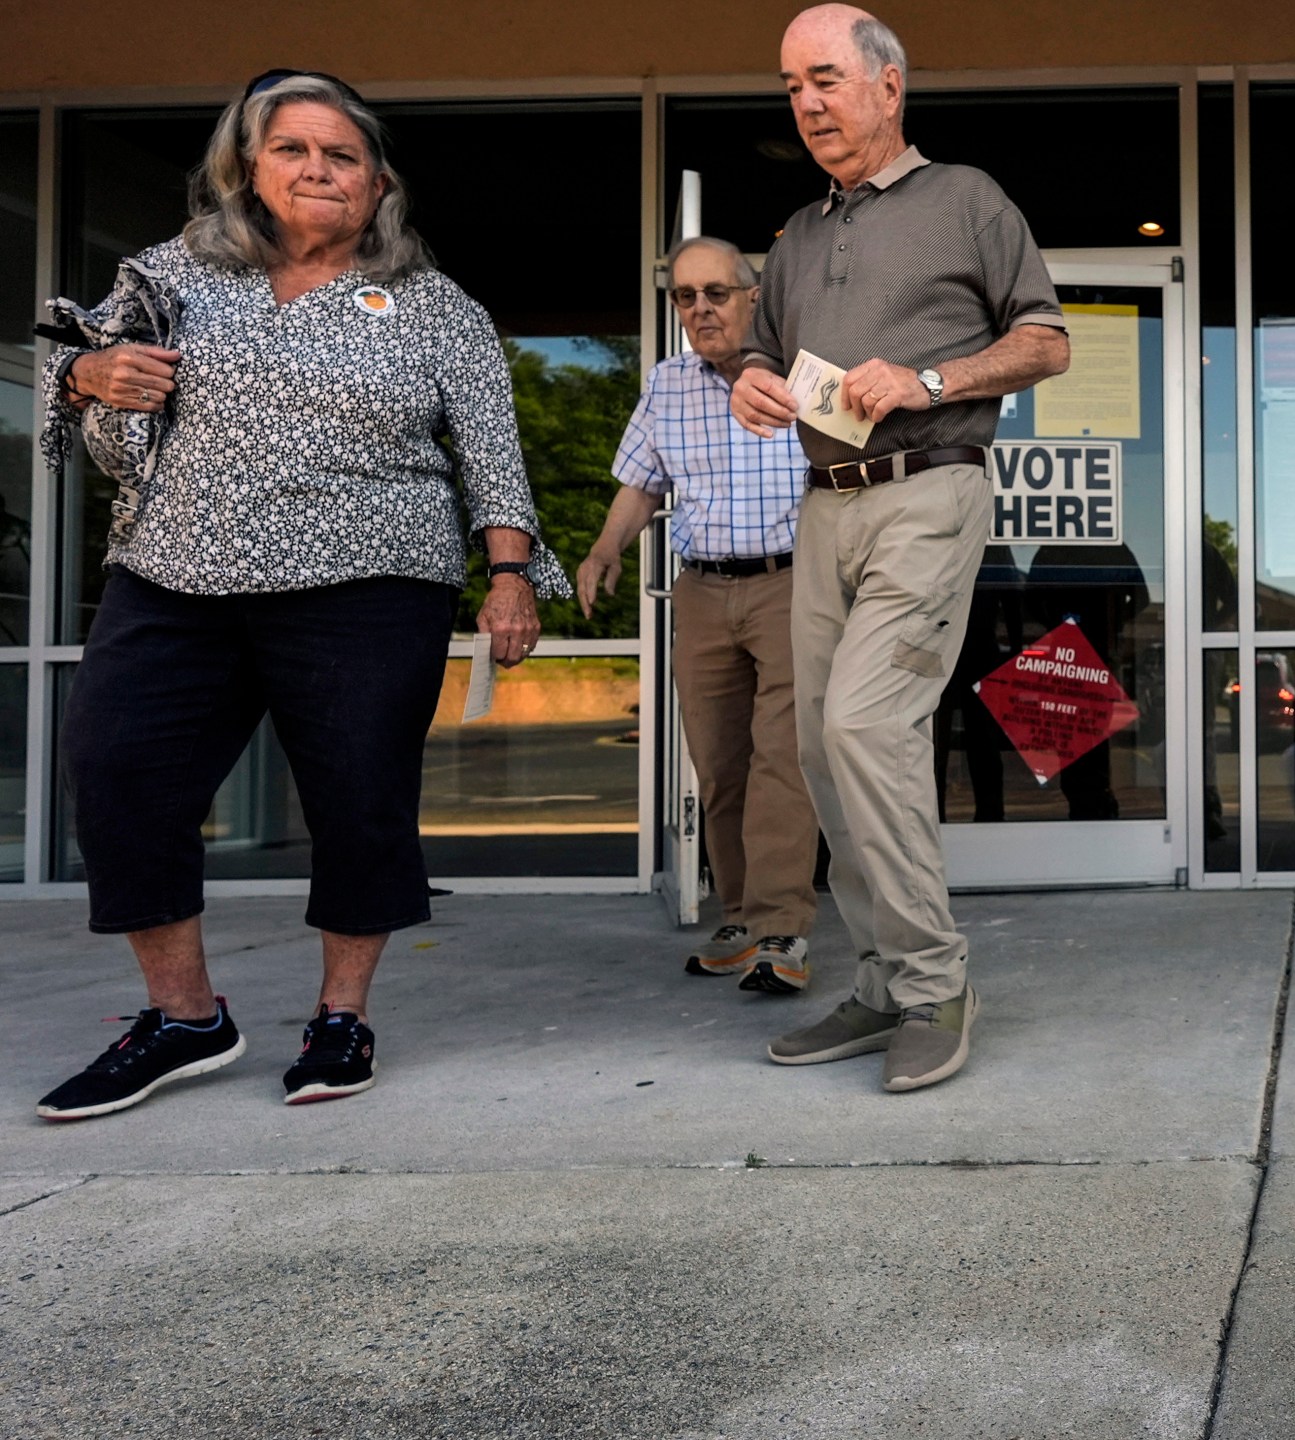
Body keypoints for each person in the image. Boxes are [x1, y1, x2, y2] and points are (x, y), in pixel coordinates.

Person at [33, 71, 568, 1121]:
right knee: (116, 771)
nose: (318, 171)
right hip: (176, 574)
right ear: (248, 166)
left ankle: (341, 1016)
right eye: (294, 150)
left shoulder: (434, 306)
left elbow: (494, 459)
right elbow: (81, 369)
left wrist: (509, 578)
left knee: (358, 803)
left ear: (378, 185)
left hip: (370, 584)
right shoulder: (176, 272)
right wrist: (87, 380)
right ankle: (184, 1017)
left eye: (343, 156)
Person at [733, 5, 1070, 1092]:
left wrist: (930, 380)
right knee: (823, 753)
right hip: (822, 503)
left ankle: (932, 983)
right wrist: (748, 379)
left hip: (928, 488)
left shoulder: (966, 198)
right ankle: (882, 981)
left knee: (865, 725)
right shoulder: (798, 234)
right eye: (791, 88)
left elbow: (1046, 340)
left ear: (888, 84)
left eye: (825, 79)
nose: (808, 104)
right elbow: (763, 355)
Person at [580, 236, 823, 993]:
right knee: (719, 764)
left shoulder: (801, 375)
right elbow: (640, 482)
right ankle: (743, 913)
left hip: (790, 583)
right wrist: (605, 547)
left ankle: (782, 929)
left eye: (717, 292)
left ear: (754, 298)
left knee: (784, 760)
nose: (701, 308)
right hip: (704, 590)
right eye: (686, 296)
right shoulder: (668, 383)